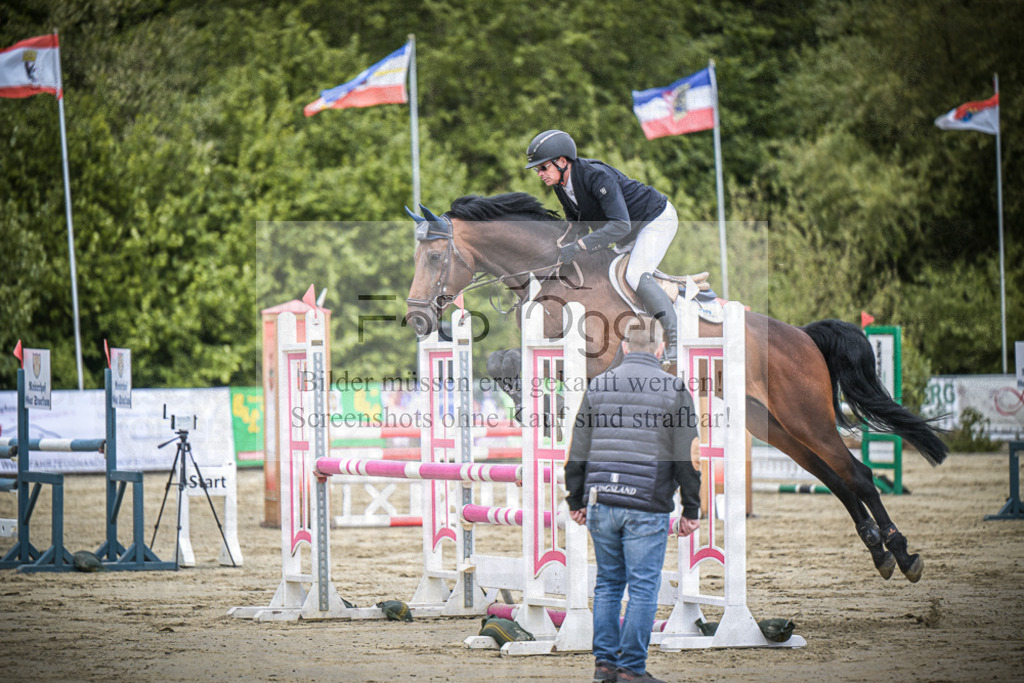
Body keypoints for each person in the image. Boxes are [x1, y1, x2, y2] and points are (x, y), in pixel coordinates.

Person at [566, 316, 701, 683]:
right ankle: (631, 670)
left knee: (608, 584)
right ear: (660, 349)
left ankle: (605, 666)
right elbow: (686, 455)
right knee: (643, 587)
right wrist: (692, 507)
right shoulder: (674, 388)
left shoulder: (598, 385)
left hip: (601, 501)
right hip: (646, 503)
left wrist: (575, 499)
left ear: (625, 347)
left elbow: (578, 448)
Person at [525, 129, 682, 362]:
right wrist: (555, 249)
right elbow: (577, 225)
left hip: (654, 220)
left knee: (635, 275)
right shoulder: (561, 185)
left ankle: (676, 340)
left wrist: (579, 246)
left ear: (561, 162)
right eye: (537, 169)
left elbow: (620, 225)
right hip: (627, 233)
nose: (539, 173)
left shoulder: (596, 176)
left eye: (543, 167)